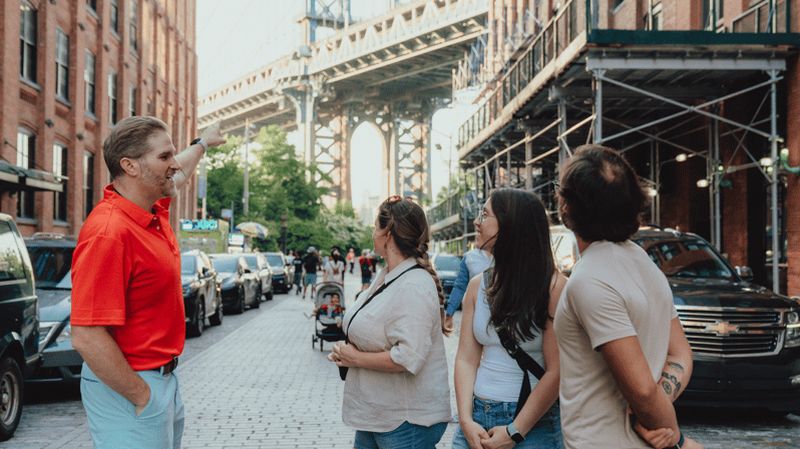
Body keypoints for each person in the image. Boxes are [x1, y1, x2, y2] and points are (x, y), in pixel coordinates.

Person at [70, 116, 225, 448]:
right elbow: (85, 335)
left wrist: (202, 143)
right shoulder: (109, 232)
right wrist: (141, 395)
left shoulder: (150, 209)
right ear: (130, 166)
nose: (174, 164)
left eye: (172, 154)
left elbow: (178, 173)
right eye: (164, 156)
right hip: (130, 387)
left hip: (162, 379)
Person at [553, 145, 700, 449]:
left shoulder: (589, 280)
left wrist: (677, 439)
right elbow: (680, 355)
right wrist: (663, 397)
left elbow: (643, 392)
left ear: (567, 205)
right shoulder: (646, 264)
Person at [329, 195, 451, 448]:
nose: (372, 233)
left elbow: (409, 356)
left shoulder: (414, 285)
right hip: (377, 416)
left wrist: (355, 358)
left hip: (404, 422)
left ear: (388, 233)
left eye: (375, 227)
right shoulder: (388, 276)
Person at [453, 189, 566, 449]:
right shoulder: (476, 286)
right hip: (476, 419)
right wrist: (466, 420)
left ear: (511, 225)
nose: (477, 222)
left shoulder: (555, 288)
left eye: (485, 214)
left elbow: (556, 371)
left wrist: (515, 431)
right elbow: (466, 359)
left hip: (533, 424)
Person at [443, 247, 492, 331]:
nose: (478, 234)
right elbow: (460, 286)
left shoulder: (512, 255)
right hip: (475, 314)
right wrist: (449, 314)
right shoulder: (470, 257)